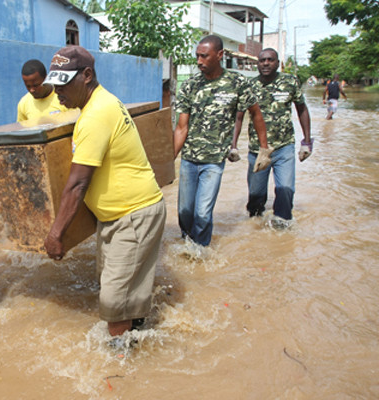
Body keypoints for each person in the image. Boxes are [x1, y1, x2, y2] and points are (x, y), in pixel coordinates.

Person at [42, 46, 166, 339]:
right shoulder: (100, 103)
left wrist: (55, 235)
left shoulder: (96, 114)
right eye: (55, 83)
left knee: (114, 302)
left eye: (64, 82)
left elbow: (76, 185)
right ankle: (134, 338)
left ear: (86, 75)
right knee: (119, 293)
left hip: (133, 215)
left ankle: (120, 372)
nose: (57, 90)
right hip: (118, 217)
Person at [173, 35, 271, 247]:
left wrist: (264, 148)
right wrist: (167, 160)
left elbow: (255, 114)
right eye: (197, 56)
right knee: (185, 211)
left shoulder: (237, 83)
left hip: (214, 161)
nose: (199, 61)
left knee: (202, 212)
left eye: (204, 56)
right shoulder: (190, 86)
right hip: (189, 159)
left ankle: (200, 252)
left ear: (219, 55)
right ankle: (186, 243)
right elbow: (182, 127)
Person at [231, 48, 313, 227]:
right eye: (262, 60)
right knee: (255, 197)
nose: (266, 63)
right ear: (257, 63)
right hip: (257, 149)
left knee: (285, 190)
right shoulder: (249, 86)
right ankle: (254, 229)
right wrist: (233, 145)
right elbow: (239, 116)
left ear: (277, 63)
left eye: (270, 60)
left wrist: (307, 141)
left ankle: (282, 228)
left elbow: (302, 109)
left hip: (284, 147)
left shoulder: (290, 82)